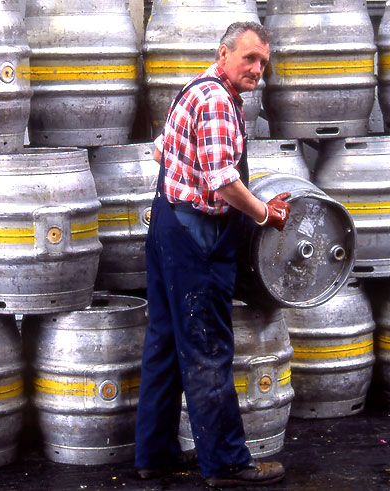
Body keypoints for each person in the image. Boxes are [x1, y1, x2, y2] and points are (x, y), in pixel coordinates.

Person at [134, 21, 291, 488]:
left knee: (164, 343)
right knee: (207, 349)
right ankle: (225, 463)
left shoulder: (193, 89)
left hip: (167, 226)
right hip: (195, 239)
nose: (257, 69)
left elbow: (162, 151)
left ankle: (155, 454)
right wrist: (265, 213)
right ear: (224, 54)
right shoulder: (219, 102)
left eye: (263, 61)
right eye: (249, 58)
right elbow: (223, 180)